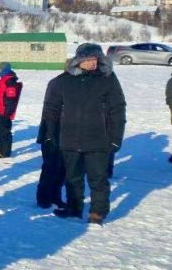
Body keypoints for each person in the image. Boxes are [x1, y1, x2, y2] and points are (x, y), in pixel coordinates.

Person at [41, 43, 126, 225]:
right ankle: (74, 208)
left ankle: (97, 212)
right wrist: (50, 134)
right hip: (70, 139)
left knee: (98, 179)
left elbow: (117, 109)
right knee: (72, 179)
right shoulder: (63, 81)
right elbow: (51, 109)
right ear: (79, 61)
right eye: (88, 59)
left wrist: (116, 138)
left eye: (95, 59)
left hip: (98, 139)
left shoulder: (107, 79)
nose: (92, 63)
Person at [36, 60, 69, 208]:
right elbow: (49, 110)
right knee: (50, 167)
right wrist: (49, 134)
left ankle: (56, 196)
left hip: (69, 133)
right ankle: (43, 198)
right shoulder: (57, 83)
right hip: (53, 132)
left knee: (63, 169)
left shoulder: (79, 86)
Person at [0, 63, 22, 159]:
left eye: (0, 69)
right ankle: (0, 149)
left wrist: (6, 113)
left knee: (4, 132)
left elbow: (11, 100)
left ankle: (5, 152)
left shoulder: (10, 81)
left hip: (3, 112)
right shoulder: (2, 80)